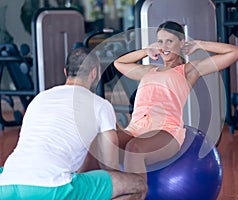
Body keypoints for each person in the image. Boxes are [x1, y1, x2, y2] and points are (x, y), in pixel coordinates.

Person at [0, 47, 147, 200]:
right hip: (52, 187)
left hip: (5, 186)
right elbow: (109, 165)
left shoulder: (39, 99)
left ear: (65, 72)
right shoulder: (100, 105)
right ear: (94, 73)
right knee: (137, 185)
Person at [114, 21, 238, 181]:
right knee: (104, 142)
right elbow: (119, 63)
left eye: (170, 41)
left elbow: (237, 52)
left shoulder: (189, 70)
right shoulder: (148, 71)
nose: (164, 46)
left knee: (134, 148)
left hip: (166, 131)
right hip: (135, 128)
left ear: (181, 43)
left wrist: (200, 44)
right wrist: (144, 51)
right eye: (160, 41)